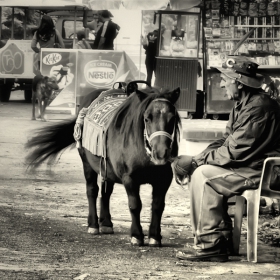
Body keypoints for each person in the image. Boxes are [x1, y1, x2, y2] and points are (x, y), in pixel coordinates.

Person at [172, 56, 280, 262]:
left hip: (262, 172)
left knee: (203, 175)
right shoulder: (243, 105)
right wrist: (199, 157)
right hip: (249, 167)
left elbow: (234, 151)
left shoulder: (259, 107)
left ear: (238, 82)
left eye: (225, 79)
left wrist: (196, 162)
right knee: (202, 170)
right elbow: (225, 141)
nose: (221, 84)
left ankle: (210, 244)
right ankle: (217, 241)